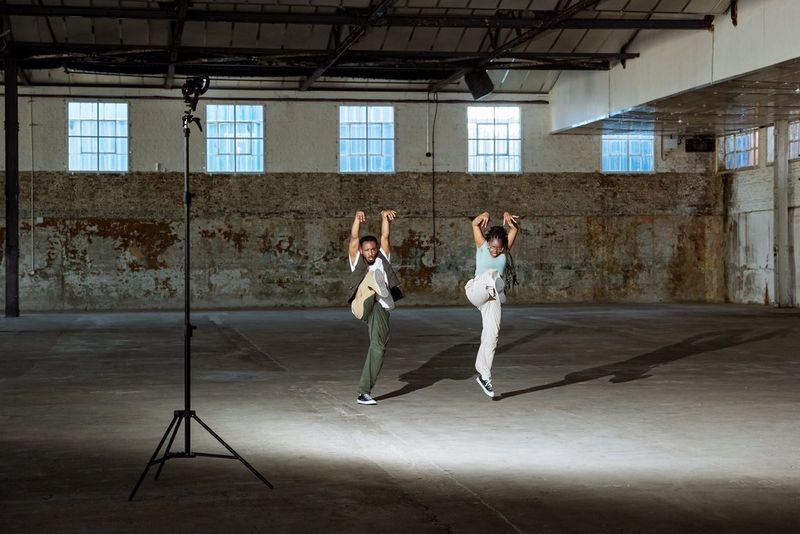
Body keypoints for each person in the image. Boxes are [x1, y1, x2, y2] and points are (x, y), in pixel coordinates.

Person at [348, 209, 403, 405]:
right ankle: (378, 286)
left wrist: (384, 218)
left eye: (373, 249)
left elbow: (386, 236)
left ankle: (364, 392)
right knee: (371, 277)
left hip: (379, 308)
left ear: (376, 248)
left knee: (379, 347)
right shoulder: (357, 261)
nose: (370, 253)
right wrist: (357, 220)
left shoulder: (382, 259)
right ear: (361, 251)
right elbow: (354, 238)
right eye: (367, 250)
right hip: (362, 303)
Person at [466, 210, 520, 398]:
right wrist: (485, 214)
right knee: (491, 276)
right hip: (476, 290)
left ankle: (484, 375)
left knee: (492, 333)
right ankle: (497, 285)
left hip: (492, 297)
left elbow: (515, 229)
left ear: (503, 245)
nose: (495, 251)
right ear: (488, 242)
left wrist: (507, 215)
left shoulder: (505, 250)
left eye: (498, 248)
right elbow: (474, 224)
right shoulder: (481, 246)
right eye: (492, 247)